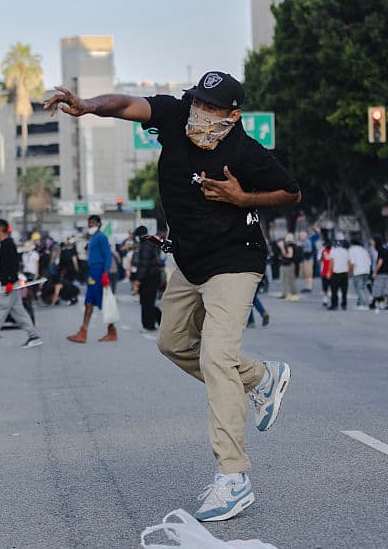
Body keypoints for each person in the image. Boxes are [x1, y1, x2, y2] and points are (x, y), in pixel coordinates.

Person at [46, 70, 300, 522]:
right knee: (173, 343)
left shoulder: (245, 151)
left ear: (232, 116)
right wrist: (88, 106)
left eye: (210, 108)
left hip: (235, 260)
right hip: (188, 260)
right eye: (197, 103)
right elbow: (126, 104)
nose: (199, 113)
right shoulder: (175, 115)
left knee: (217, 358)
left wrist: (243, 198)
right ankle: (260, 378)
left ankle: (233, 477)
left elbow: (290, 192)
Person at [0, 219, 42, 350]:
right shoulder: (5, 244)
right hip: (10, 284)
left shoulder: (8, 245)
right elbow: (4, 267)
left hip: (9, 285)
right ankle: (34, 336)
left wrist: (10, 282)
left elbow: (14, 265)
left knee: (0, 312)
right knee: (19, 313)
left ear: (0, 229)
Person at [66, 215, 117, 343]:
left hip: (99, 271)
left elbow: (108, 255)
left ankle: (111, 331)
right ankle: (83, 332)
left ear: (99, 224)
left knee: (101, 301)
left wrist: (105, 273)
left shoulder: (101, 237)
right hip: (92, 271)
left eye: (93, 223)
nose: (90, 225)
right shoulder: (93, 237)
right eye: (89, 223)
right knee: (89, 301)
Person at [133, 225, 164, 331]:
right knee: (149, 301)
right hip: (155, 275)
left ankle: (149, 324)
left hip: (149, 277)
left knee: (146, 302)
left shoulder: (145, 244)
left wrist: (138, 279)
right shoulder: (152, 241)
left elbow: (144, 264)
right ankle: (160, 321)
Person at [370, 236, 388, 311]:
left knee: (377, 288)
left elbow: (380, 262)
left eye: (372, 241)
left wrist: (375, 271)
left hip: (381, 272)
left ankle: (373, 303)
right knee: (386, 289)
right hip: (387, 272)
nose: (371, 242)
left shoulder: (380, 250)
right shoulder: (385, 249)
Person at [347, 237, 372, 309]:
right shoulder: (363, 249)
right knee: (363, 287)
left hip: (358, 271)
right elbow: (369, 261)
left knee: (359, 288)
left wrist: (350, 273)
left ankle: (364, 304)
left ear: (351, 243)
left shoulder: (351, 250)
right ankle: (360, 303)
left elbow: (352, 263)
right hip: (366, 271)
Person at [328, 239, 350, 310]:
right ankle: (344, 304)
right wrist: (349, 272)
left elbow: (331, 263)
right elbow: (348, 262)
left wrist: (329, 272)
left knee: (334, 290)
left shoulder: (333, 251)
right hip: (344, 273)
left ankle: (334, 305)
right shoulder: (346, 251)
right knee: (344, 291)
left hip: (336, 273)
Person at [277, 234, 298, 301]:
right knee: (283, 280)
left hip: (289, 265)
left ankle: (293, 295)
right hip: (284, 264)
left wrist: (282, 247)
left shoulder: (290, 245)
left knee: (290, 281)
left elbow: (289, 255)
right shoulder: (289, 245)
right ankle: (285, 294)